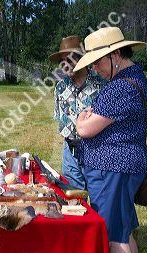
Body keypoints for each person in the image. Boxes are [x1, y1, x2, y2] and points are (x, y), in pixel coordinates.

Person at [74, 27, 147, 253]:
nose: (95, 68)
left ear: (115, 55)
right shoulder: (135, 78)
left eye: (98, 62)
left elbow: (85, 128)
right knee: (124, 232)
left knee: (115, 237)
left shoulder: (120, 88)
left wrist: (81, 118)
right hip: (121, 168)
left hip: (114, 170)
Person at [49, 35, 105, 190]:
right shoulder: (60, 87)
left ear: (82, 58)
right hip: (69, 152)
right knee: (74, 198)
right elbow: (60, 119)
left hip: (96, 150)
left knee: (97, 198)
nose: (65, 64)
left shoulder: (101, 84)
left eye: (70, 59)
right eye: (62, 60)